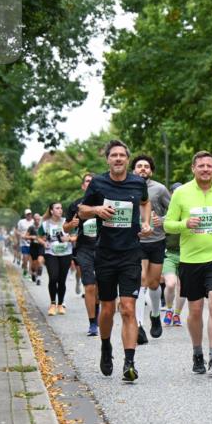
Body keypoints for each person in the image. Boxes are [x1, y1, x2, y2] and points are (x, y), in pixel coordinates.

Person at [79, 140, 153, 382]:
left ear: (127, 159)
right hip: (105, 253)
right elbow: (81, 209)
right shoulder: (99, 183)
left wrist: (145, 222)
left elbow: (144, 201)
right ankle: (105, 346)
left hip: (131, 252)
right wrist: (97, 210)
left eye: (122, 155)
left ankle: (129, 362)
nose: (118, 159)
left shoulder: (137, 182)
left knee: (128, 308)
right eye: (114, 155)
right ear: (108, 159)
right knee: (108, 309)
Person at [164, 151, 212, 376]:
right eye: (201, 166)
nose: (205, 169)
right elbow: (167, 224)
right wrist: (185, 223)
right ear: (193, 168)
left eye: (209, 166)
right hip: (190, 260)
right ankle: (197, 353)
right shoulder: (182, 193)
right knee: (195, 310)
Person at [130, 154, 171, 344]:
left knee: (154, 283)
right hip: (136, 241)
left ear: (151, 171)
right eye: (139, 166)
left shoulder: (160, 189)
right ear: (133, 170)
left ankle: (155, 315)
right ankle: (139, 325)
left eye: (146, 166)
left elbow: (173, 213)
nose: (143, 169)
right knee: (141, 281)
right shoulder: (127, 188)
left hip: (157, 240)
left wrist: (161, 220)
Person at [64, 172, 101, 336]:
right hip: (84, 248)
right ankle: (92, 323)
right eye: (87, 181)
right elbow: (65, 228)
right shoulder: (76, 205)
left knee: (100, 288)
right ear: (83, 186)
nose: (90, 183)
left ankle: (97, 315)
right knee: (90, 285)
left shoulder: (105, 202)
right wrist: (71, 224)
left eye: (93, 181)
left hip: (103, 248)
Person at [40, 202, 75, 315]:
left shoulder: (67, 222)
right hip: (51, 253)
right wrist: (43, 243)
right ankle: (52, 304)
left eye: (61, 208)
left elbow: (75, 235)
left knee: (61, 280)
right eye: (57, 208)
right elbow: (39, 237)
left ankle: (60, 305)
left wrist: (68, 239)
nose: (60, 210)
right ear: (51, 211)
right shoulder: (45, 224)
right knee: (53, 277)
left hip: (66, 253)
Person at [161, 182, 185, 327]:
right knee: (170, 284)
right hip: (169, 254)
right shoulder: (167, 216)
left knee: (182, 287)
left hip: (187, 255)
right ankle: (169, 309)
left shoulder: (190, 213)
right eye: (175, 193)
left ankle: (177, 314)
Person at [27, 213, 45, 285]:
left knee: (40, 262)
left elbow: (46, 236)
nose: (37, 220)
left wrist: (42, 239)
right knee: (34, 265)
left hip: (40, 247)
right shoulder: (31, 227)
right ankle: (33, 273)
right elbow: (26, 236)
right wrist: (32, 237)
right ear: (33, 220)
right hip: (33, 247)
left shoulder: (43, 227)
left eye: (38, 219)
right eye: (35, 219)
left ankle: (39, 279)